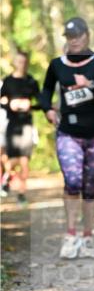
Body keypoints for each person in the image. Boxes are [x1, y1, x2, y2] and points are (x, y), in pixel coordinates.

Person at [40, 16, 94, 259]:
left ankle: (88, 237)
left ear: (87, 36)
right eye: (69, 37)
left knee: (90, 186)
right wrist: (48, 109)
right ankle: (70, 235)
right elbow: (45, 91)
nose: (73, 41)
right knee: (73, 181)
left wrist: (90, 85)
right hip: (68, 134)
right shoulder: (57, 64)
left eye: (77, 36)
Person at [0, 50, 40, 205]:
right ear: (15, 62)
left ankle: (22, 194)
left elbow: (41, 102)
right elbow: (1, 101)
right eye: (19, 61)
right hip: (12, 125)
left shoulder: (31, 81)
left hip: (27, 125)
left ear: (27, 63)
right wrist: (10, 104)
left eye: (24, 62)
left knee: (24, 161)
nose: (21, 65)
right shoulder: (8, 81)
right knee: (12, 160)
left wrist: (30, 105)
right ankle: (6, 177)